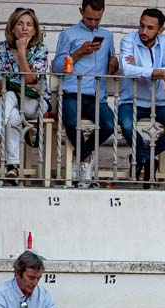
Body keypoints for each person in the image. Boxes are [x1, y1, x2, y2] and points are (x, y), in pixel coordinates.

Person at [118, 8, 165, 182]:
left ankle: (143, 156)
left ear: (160, 30)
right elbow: (127, 69)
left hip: (158, 102)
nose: (143, 31)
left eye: (150, 28)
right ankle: (147, 159)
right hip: (130, 100)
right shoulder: (128, 40)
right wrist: (158, 71)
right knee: (126, 124)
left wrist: (141, 68)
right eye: (141, 26)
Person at [52, 0, 118, 185]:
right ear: (81, 11)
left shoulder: (107, 35)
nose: (93, 24)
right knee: (71, 121)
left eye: (97, 19)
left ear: (103, 13)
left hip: (96, 94)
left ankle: (81, 154)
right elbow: (56, 66)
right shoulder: (68, 34)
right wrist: (78, 53)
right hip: (72, 91)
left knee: (108, 125)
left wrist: (114, 60)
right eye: (89, 19)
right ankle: (85, 160)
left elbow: (112, 57)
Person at [0, 8, 48, 179]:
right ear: (12, 28)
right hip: (12, 102)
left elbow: (28, 80)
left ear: (35, 29)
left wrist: (21, 52)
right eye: (20, 24)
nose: (25, 28)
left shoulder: (40, 49)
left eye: (29, 24)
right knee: (12, 114)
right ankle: (13, 166)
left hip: (35, 104)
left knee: (10, 95)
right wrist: (24, 79)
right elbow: (0, 81)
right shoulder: (2, 48)